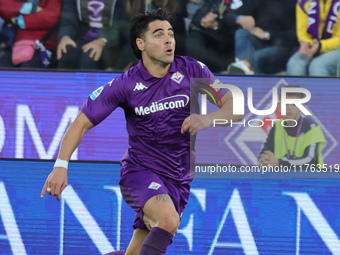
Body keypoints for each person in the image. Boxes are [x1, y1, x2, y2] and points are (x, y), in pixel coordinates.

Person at [41, 8, 242, 255]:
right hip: (139, 172)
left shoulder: (193, 71)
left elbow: (234, 106)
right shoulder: (125, 84)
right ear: (141, 44)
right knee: (168, 220)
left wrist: (210, 118)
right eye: (159, 35)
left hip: (179, 179)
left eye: (171, 33)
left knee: (136, 252)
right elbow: (80, 123)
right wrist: (61, 165)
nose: (169, 40)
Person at [259, 86, 326, 167]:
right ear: (279, 106)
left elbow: (309, 161)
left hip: (311, 177)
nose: (289, 108)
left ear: (302, 106)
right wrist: (264, 159)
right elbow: (266, 150)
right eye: (286, 104)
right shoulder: (277, 126)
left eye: (294, 104)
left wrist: (280, 163)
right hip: (283, 176)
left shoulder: (312, 128)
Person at [227, 0, 298, 75]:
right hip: (261, 42)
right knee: (242, 32)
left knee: (256, 57)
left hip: (286, 47)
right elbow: (228, 17)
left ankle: (252, 83)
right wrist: (238, 18)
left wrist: (267, 35)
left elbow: (296, 36)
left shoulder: (293, 3)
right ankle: (244, 65)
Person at [56, 0, 122, 70]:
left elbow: (120, 25)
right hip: (80, 38)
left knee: (90, 56)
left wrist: (102, 40)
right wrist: (65, 36)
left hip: (108, 43)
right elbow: (68, 20)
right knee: (66, 51)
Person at [187, 0, 245, 72]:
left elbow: (238, 26)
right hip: (210, 36)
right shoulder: (214, 1)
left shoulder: (246, 3)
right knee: (194, 37)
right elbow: (195, 20)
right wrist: (204, 22)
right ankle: (194, 74)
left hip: (230, 41)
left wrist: (217, 25)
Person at [0, 0, 61, 68]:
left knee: (28, 72)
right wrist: (30, 8)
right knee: (4, 68)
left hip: (43, 47)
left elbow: (50, 17)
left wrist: (21, 20)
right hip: (11, 45)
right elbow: (4, 7)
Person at [286, 0, 340, 77]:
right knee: (295, 63)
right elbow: (302, 33)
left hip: (336, 48)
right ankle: (299, 89)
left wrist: (320, 45)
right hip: (314, 46)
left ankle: (322, 89)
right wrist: (308, 45)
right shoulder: (304, 3)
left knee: (318, 65)